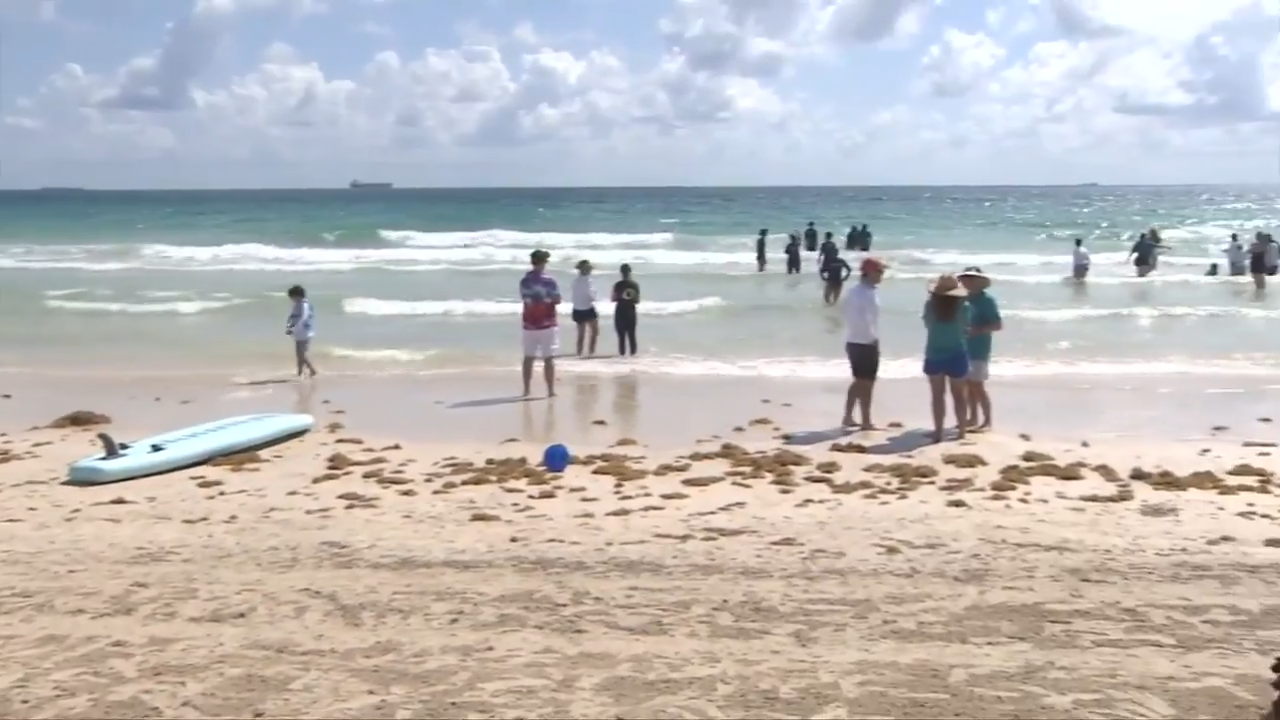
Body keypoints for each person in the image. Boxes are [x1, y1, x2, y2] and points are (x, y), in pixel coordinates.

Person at [921, 274, 971, 443]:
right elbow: (966, 327)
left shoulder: (930, 306)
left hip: (934, 353)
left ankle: (938, 432)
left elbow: (927, 325)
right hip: (957, 352)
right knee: (959, 395)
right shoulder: (964, 307)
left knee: (937, 396)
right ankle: (962, 431)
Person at [840, 257, 885, 430]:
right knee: (867, 383)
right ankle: (866, 420)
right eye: (880, 271)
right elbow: (865, 320)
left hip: (853, 340)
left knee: (859, 381)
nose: (882, 275)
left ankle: (848, 416)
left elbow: (850, 316)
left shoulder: (856, 291)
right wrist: (872, 338)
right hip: (865, 342)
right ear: (870, 272)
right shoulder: (865, 293)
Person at [957, 267, 1001, 430]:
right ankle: (972, 418)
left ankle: (987, 420)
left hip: (979, 347)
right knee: (967, 385)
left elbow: (997, 324)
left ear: (979, 281)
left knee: (978, 385)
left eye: (971, 278)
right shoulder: (960, 299)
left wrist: (978, 330)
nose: (967, 281)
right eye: (965, 278)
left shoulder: (986, 301)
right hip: (962, 346)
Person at [520, 249, 560, 397]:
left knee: (528, 357)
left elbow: (526, 299)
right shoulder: (549, 281)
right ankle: (550, 390)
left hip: (529, 323)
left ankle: (526, 389)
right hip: (547, 323)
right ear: (543, 262)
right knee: (548, 358)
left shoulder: (525, 281)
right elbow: (557, 300)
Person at [284, 284, 317, 379]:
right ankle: (304, 371)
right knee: (300, 354)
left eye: (292, 297)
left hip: (303, 333)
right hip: (302, 332)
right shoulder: (301, 304)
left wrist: (291, 328)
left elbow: (300, 318)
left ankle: (305, 371)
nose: (291, 299)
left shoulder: (302, 305)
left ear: (297, 296)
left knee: (301, 354)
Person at [570, 259, 599, 357]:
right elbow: (591, 295)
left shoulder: (575, 281)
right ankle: (591, 352)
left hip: (577, 309)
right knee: (594, 331)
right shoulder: (589, 281)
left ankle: (579, 353)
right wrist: (594, 297)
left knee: (581, 334)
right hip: (588, 308)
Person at [611, 263, 640, 356]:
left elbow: (613, 299)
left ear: (621, 272)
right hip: (631, 310)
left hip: (620, 311)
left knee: (621, 336)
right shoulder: (635, 285)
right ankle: (633, 356)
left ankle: (622, 357)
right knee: (632, 335)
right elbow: (637, 300)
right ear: (630, 272)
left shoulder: (618, 285)